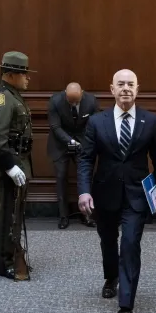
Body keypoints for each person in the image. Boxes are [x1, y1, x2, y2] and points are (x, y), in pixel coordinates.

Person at [77, 69, 156, 313]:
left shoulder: (150, 121)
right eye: (121, 84)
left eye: (131, 84)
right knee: (108, 240)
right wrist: (84, 191)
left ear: (137, 89)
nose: (126, 88)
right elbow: (85, 159)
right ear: (112, 89)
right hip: (104, 193)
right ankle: (111, 276)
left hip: (136, 195)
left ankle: (126, 308)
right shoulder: (97, 121)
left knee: (130, 244)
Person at [0, 51, 35, 279]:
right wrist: (10, 167)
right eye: (24, 74)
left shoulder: (13, 95)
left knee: (15, 215)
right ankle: (4, 263)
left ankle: (12, 255)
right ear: (11, 74)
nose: (28, 78)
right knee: (7, 215)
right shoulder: (3, 98)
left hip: (19, 161)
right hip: (8, 165)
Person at [47, 82, 99, 229]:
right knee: (61, 177)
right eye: (70, 101)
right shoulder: (55, 101)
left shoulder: (91, 101)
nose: (73, 103)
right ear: (65, 94)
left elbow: (94, 124)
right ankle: (63, 216)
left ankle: (87, 215)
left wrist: (84, 144)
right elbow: (55, 127)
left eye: (76, 100)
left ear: (82, 94)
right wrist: (70, 141)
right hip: (60, 142)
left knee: (86, 176)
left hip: (83, 141)